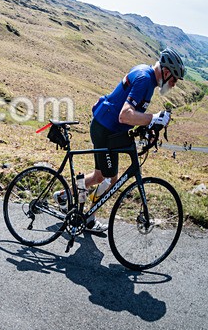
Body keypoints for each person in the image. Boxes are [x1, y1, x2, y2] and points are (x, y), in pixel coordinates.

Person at [59, 48, 184, 232]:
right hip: (106, 130)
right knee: (111, 180)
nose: (173, 85)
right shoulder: (144, 80)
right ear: (166, 72)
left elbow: (131, 111)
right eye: (174, 79)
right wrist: (153, 118)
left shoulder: (147, 76)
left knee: (100, 176)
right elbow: (125, 115)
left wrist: (147, 126)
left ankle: (63, 197)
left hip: (107, 127)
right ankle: (89, 218)